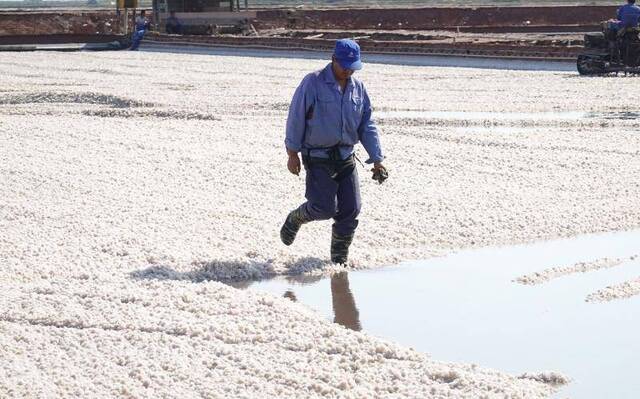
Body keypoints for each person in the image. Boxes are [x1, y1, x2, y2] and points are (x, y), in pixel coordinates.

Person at [280, 39, 387, 265]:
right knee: (323, 208)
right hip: (318, 157)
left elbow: (367, 124)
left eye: (352, 66)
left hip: (346, 156)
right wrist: (292, 153)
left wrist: (377, 160)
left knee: (351, 209)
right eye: (344, 65)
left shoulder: (358, 89)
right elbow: (296, 117)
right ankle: (296, 217)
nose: (348, 70)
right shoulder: (312, 83)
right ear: (333, 59)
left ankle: (339, 261)